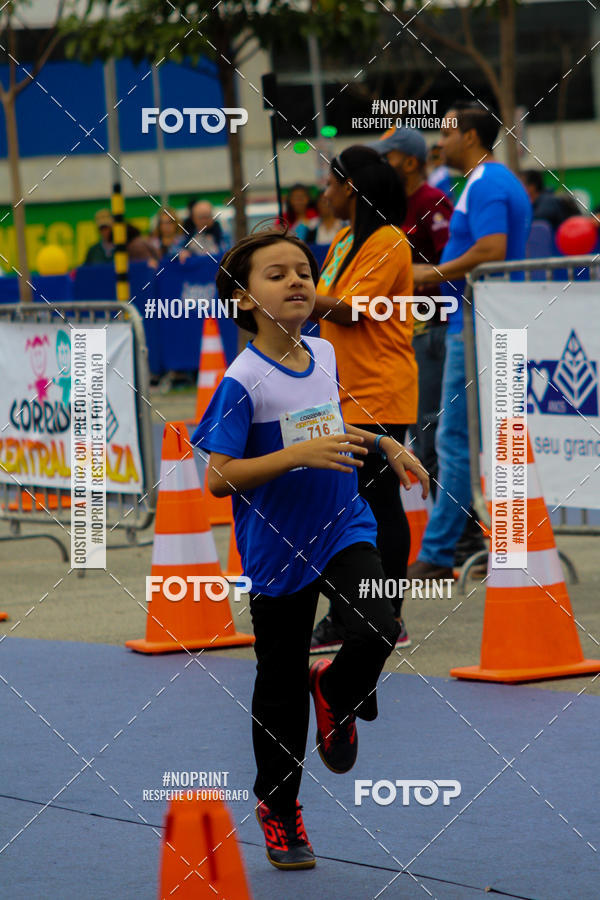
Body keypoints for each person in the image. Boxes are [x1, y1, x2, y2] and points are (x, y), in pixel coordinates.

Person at [191, 228, 428, 870]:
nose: (297, 280)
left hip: (342, 523)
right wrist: (294, 456)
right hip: (277, 545)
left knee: (380, 623)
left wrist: (383, 444)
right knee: (278, 686)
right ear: (243, 299)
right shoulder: (242, 380)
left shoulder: (323, 353)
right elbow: (216, 476)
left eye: (304, 269)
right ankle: (280, 807)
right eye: (277, 274)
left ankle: (337, 691)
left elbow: (324, 424)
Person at [408, 101, 532, 583]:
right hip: (484, 319)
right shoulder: (484, 183)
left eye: (446, 132)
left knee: (453, 438)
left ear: (472, 137)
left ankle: (440, 553)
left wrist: (429, 272)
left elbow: (491, 249)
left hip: (482, 322)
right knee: (483, 438)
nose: (439, 141)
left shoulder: (487, 183)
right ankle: (504, 539)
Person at [308, 146, 418, 652]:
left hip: (379, 390)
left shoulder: (389, 241)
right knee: (340, 505)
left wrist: (293, 296)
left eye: (329, 185)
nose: (323, 195)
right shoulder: (345, 239)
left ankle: (385, 616)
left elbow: (352, 311)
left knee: (377, 504)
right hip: (339, 391)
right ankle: (348, 612)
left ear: (349, 186)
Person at [369, 127, 453, 498]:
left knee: (431, 432)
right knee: (418, 430)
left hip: (430, 327)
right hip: (402, 331)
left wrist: (409, 277)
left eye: (386, 157)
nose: (381, 164)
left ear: (409, 161)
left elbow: (453, 263)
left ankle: (458, 533)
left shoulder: (432, 200)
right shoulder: (392, 206)